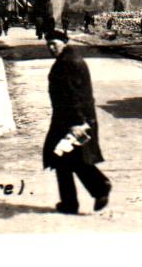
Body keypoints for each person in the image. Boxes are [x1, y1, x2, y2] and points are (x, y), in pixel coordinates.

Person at [42, 30, 111, 214]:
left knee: (67, 158)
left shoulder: (68, 63)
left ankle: (96, 190)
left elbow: (75, 96)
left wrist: (78, 122)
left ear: (64, 42)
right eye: (48, 44)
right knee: (68, 160)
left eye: (54, 44)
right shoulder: (68, 59)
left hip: (72, 120)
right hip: (69, 118)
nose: (50, 47)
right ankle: (73, 201)